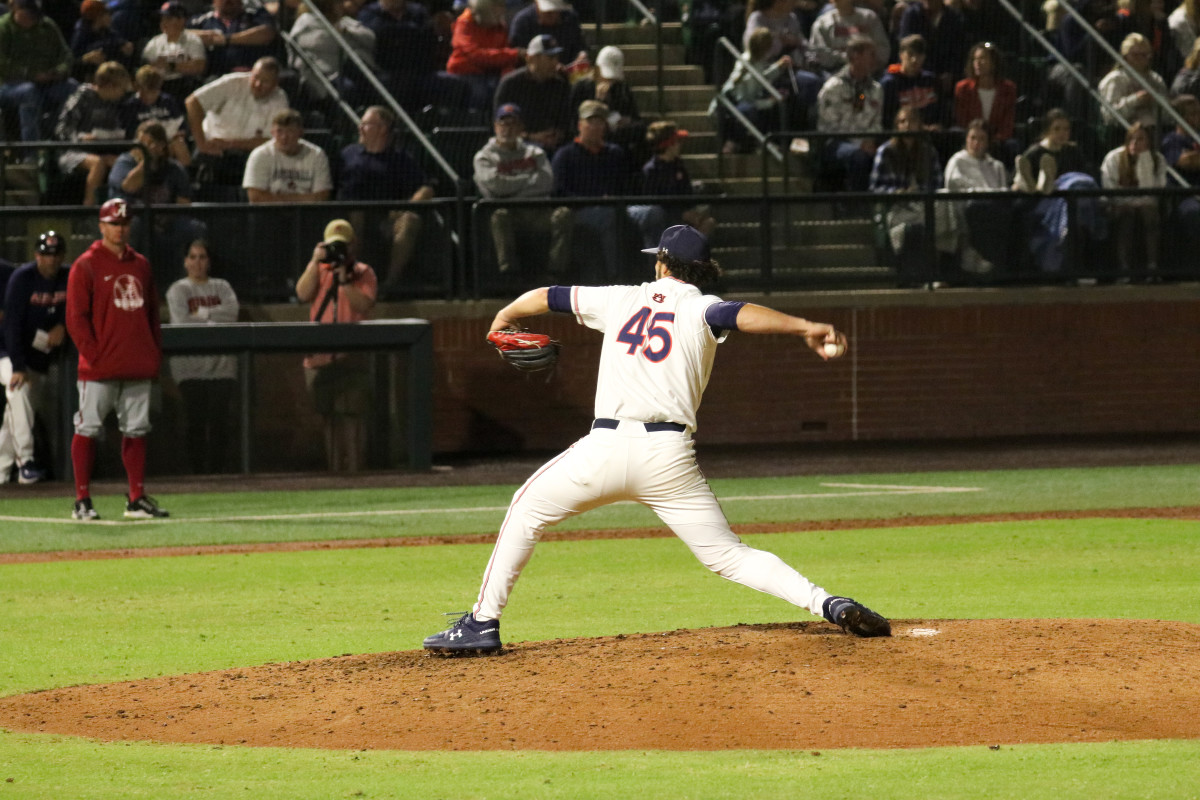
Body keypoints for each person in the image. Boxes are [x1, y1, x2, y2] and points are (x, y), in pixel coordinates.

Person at [421, 224, 891, 655]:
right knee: (729, 556)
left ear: (662, 264)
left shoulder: (621, 298)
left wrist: (503, 318)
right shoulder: (701, 307)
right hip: (669, 458)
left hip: (603, 450)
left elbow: (546, 295)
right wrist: (806, 326)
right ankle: (828, 603)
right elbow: (740, 314)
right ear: (702, 271)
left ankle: (483, 622)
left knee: (527, 508)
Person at [66, 198, 169, 521]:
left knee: (137, 430)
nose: (119, 228)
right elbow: (76, 318)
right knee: (88, 428)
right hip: (99, 368)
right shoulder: (86, 264)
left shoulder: (141, 264)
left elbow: (152, 315)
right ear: (101, 226)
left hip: (136, 363)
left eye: (124, 223)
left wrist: (152, 354)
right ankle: (82, 499)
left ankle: (135, 497)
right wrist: (95, 355)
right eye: (113, 223)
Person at [294, 219, 378, 472]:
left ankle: (355, 470)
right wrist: (314, 261)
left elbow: (363, 305)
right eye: (334, 246)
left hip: (351, 356)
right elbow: (302, 293)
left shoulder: (363, 272)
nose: (338, 252)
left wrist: (345, 281)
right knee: (328, 416)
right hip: (319, 358)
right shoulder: (318, 269)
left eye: (343, 246)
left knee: (352, 414)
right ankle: (335, 472)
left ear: (353, 246)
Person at [335, 105, 435, 291]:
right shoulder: (348, 154)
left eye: (365, 124)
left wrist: (406, 208)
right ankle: (351, 280)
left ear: (382, 129)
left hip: (389, 217)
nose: (360, 128)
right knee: (355, 215)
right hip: (352, 215)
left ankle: (390, 283)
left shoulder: (400, 158)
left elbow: (426, 189)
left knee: (410, 220)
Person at [0, 231, 70, 485]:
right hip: (7, 353)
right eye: (45, 254)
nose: (50, 260)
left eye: (54, 255)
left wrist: (64, 325)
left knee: (17, 412)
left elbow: (80, 311)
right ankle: (26, 462)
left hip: (38, 357)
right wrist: (18, 366)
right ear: (36, 255)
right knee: (18, 392)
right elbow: (11, 326)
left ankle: (1, 468)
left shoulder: (69, 276)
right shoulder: (22, 278)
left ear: (62, 256)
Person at [165, 239, 240, 473]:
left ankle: (218, 473)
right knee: (195, 422)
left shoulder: (222, 286)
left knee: (220, 424)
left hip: (222, 367)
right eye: (193, 257)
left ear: (209, 261)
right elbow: (183, 321)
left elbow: (232, 313)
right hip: (190, 369)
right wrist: (213, 318)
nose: (198, 262)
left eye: (202, 257)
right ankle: (196, 474)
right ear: (185, 262)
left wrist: (203, 312)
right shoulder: (178, 290)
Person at [473, 102, 572, 277]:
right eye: (503, 123)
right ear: (495, 127)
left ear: (521, 128)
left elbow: (546, 182)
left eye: (513, 124)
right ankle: (509, 276)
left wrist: (510, 187)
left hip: (537, 211)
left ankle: (556, 272)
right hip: (509, 213)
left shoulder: (534, 152)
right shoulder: (484, 156)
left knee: (563, 214)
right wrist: (528, 182)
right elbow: (495, 187)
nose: (508, 129)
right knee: (499, 216)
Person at [109, 120, 206, 279]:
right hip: (135, 221)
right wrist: (146, 162)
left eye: (151, 144)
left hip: (165, 222)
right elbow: (129, 186)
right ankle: (126, 278)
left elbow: (184, 203)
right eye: (142, 143)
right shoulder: (125, 162)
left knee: (195, 228)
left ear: (162, 147)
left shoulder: (173, 168)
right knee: (134, 226)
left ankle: (189, 283)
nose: (145, 148)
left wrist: (166, 219)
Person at [552, 98, 631, 279]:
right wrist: (593, 200)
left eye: (600, 122)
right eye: (590, 122)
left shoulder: (614, 153)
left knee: (652, 214)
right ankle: (616, 277)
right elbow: (559, 192)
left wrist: (614, 198)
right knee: (609, 217)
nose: (595, 127)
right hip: (579, 209)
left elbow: (625, 185)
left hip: (616, 205)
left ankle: (658, 275)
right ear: (580, 125)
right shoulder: (565, 155)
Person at [185, 56, 290, 189]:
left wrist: (231, 144)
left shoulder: (280, 99)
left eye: (265, 82)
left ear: (276, 84)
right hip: (213, 149)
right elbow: (192, 102)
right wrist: (201, 143)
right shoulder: (232, 82)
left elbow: (273, 140)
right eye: (255, 77)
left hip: (248, 154)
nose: (258, 84)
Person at [869, 105, 943, 283]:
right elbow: (874, 188)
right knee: (913, 231)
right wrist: (896, 192)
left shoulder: (928, 152)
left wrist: (921, 192)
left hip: (923, 205)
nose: (908, 125)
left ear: (920, 125)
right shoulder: (886, 152)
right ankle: (915, 279)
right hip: (896, 206)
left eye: (912, 121)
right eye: (903, 121)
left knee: (942, 215)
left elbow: (937, 184)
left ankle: (940, 274)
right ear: (897, 125)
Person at [358, 0, 467, 113]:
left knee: (455, 84)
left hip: (420, 71)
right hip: (386, 71)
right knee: (397, 86)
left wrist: (396, 37)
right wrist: (410, 33)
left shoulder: (418, 11)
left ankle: (442, 120)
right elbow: (380, 33)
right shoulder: (368, 13)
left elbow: (427, 35)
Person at [628, 120, 716, 249]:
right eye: (677, 142)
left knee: (708, 222)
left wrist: (693, 212)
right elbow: (654, 205)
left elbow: (687, 193)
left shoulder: (678, 165)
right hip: (664, 221)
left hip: (683, 217)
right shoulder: (651, 170)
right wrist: (681, 213)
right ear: (669, 145)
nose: (679, 145)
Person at [54, 60, 132, 206]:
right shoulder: (82, 97)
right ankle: (89, 207)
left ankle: (120, 207)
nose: (123, 93)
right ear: (109, 86)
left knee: (122, 162)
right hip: (73, 151)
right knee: (98, 163)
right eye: (121, 88)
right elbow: (62, 130)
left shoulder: (116, 104)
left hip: (101, 150)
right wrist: (81, 138)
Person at [0, 0, 77, 145]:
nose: (28, 21)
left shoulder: (48, 26)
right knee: (29, 92)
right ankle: (31, 153)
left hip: (48, 82)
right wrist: (31, 75)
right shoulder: (3, 28)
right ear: (16, 11)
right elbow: (2, 64)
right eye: (24, 16)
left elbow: (66, 55)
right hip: (10, 85)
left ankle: (60, 140)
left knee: (74, 89)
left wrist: (58, 72)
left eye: (31, 17)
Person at [943, 119, 1011, 275]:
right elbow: (956, 187)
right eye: (972, 138)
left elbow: (1003, 192)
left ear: (988, 142)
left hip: (995, 210)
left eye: (981, 139)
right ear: (966, 139)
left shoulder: (997, 166)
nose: (976, 143)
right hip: (967, 211)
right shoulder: (957, 162)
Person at [816, 34, 883, 192]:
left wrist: (870, 139)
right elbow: (830, 126)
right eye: (870, 55)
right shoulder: (833, 87)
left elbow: (876, 122)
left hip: (865, 142)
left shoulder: (875, 89)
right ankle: (857, 209)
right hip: (835, 143)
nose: (875, 59)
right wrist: (859, 143)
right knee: (858, 157)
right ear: (856, 57)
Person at [713, 27, 795, 154]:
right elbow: (748, 98)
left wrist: (779, 67)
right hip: (734, 104)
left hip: (747, 101)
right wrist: (769, 102)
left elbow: (761, 78)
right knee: (749, 111)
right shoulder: (745, 62)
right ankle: (734, 143)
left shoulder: (758, 61)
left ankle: (771, 142)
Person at [1100, 121, 1166, 277]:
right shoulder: (1114, 158)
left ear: (1149, 141)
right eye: (1131, 139)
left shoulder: (1157, 159)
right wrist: (1127, 203)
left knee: (1149, 213)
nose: (1134, 144)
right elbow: (1109, 189)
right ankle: (1124, 269)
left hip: (1146, 204)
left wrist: (1144, 160)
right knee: (1127, 215)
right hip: (1117, 204)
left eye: (1140, 139)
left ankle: (1152, 267)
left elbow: (1153, 191)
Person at [493, 33, 573, 153]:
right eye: (550, 58)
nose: (555, 62)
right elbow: (499, 124)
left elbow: (566, 119)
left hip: (555, 143)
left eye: (556, 57)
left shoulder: (560, 83)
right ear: (531, 58)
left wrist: (558, 134)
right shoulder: (510, 84)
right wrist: (531, 137)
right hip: (520, 143)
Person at [568, 45, 646, 167]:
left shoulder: (622, 90)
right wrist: (599, 103)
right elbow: (574, 122)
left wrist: (627, 122)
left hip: (617, 143)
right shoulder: (582, 88)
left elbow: (638, 123)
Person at [289, 0, 377, 104]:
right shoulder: (306, 21)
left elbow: (370, 39)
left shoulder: (344, 21)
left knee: (378, 81)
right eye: (338, 3)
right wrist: (350, 41)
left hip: (347, 67)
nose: (342, 5)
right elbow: (322, 42)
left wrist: (346, 32)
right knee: (347, 88)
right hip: (322, 74)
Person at [242, 108, 333, 203]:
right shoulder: (260, 155)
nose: (284, 137)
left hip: (306, 214)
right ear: (272, 132)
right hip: (269, 214)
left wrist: (275, 198)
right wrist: (303, 198)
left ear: (300, 132)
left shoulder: (317, 155)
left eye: (290, 131)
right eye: (279, 131)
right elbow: (256, 198)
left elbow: (321, 196)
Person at [446, 0, 523, 112]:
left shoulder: (499, 26)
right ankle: (475, 124)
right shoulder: (464, 24)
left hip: (491, 72)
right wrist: (515, 54)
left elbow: (505, 52)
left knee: (511, 88)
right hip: (466, 73)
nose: (502, 11)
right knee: (480, 93)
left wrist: (507, 75)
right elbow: (476, 55)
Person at [953, 42, 1019, 165]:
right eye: (975, 59)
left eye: (983, 58)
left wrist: (993, 139)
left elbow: (1008, 121)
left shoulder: (1008, 88)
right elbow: (962, 119)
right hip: (972, 136)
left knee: (1011, 145)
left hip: (997, 140)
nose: (978, 63)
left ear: (994, 62)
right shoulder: (963, 88)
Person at [1160, 93, 1200, 273]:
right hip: (1184, 195)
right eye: (1192, 113)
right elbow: (1186, 162)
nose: (1197, 117)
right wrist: (1192, 159)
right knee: (1194, 213)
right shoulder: (1172, 140)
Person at [120, 64, 190, 166]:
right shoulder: (131, 106)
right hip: (143, 145)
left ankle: (183, 178)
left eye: (155, 90)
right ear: (138, 87)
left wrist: (178, 134)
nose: (152, 95)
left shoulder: (168, 101)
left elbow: (181, 127)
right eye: (148, 90)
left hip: (166, 143)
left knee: (179, 144)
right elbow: (129, 133)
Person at [1098, 32, 1169, 131]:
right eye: (1135, 55)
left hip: (1155, 130)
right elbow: (1109, 116)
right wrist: (1136, 99)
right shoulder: (1115, 79)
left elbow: (1167, 116)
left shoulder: (1156, 79)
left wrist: (1155, 102)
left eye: (1144, 55)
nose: (1140, 59)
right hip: (1122, 132)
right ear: (1125, 56)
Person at [188, 0, 278, 77]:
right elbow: (180, 33)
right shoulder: (201, 20)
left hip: (251, 76)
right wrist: (203, 37)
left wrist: (226, 39)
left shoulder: (255, 15)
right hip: (213, 78)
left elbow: (268, 33)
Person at [897, 0, 967, 97]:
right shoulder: (912, 15)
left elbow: (959, 49)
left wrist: (950, 72)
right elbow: (906, 46)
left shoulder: (954, 17)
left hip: (945, 79)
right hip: (916, 77)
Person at [1014, 107, 1092, 194]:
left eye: (1066, 129)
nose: (1062, 133)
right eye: (1057, 129)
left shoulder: (1074, 151)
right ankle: (1040, 187)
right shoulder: (1034, 153)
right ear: (1047, 130)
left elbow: (1082, 175)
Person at [141, 2, 206, 100]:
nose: (163, 23)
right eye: (162, 19)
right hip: (160, 86)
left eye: (168, 19)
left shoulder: (192, 40)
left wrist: (170, 66)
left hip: (184, 85)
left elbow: (199, 66)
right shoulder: (154, 42)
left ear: (181, 20)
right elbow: (146, 67)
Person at [808, 0, 892, 74]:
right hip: (836, 71)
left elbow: (883, 47)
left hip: (870, 70)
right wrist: (847, 58)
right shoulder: (822, 23)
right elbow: (819, 52)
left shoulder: (869, 18)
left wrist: (869, 61)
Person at [880, 33, 942, 129]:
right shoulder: (890, 83)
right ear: (901, 55)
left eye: (919, 55)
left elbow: (940, 111)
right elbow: (887, 118)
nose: (914, 59)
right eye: (910, 54)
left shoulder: (930, 80)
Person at [508, 0, 587, 71]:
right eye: (548, 12)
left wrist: (581, 55)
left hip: (568, 72)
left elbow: (580, 45)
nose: (553, 15)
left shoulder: (570, 18)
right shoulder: (522, 22)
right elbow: (517, 53)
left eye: (556, 11)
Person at [69, 0, 135, 83]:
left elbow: (116, 41)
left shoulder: (106, 31)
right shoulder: (81, 34)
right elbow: (73, 60)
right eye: (106, 14)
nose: (110, 17)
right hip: (88, 77)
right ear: (98, 17)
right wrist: (85, 59)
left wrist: (125, 45)